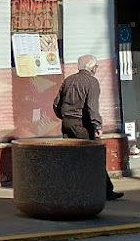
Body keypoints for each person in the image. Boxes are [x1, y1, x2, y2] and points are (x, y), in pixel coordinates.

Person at [53, 54, 124, 201]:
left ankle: (71, 191)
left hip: (67, 123)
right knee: (93, 157)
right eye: (96, 66)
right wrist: (97, 125)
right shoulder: (92, 82)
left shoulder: (68, 80)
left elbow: (56, 104)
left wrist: (65, 117)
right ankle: (106, 191)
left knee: (71, 158)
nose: (96, 68)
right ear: (91, 67)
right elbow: (92, 107)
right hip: (82, 125)